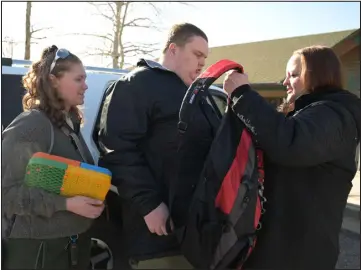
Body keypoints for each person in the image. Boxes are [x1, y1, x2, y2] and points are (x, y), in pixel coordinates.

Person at [222, 45, 361, 269]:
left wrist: (242, 95)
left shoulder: (335, 115)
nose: (285, 82)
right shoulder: (311, 113)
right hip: (282, 245)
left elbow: (290, 143)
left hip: (300, 254)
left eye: (294, 75)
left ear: (319, 74)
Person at [97, 23, 216, 269]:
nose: (203, 63)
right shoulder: (136, 84)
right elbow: (117, 150)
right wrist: (149, 204)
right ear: (173, 49)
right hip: (157, 238)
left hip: (196, 233)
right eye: (197, 54)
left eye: (205, 57)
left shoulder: (196, 94)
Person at [2, 45, 104, 269]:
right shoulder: (33, 125)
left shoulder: (69, 126)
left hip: (71, 247)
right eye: (78, 79)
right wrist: (66, 204)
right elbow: (6, 194)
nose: (85, 85)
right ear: (53, 80)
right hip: (39, 252)